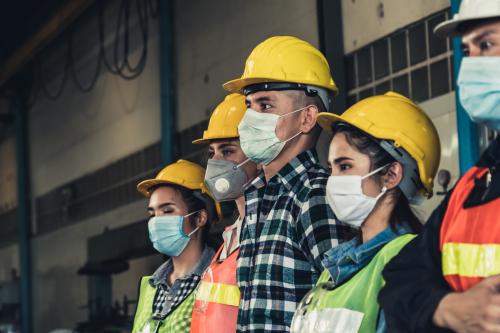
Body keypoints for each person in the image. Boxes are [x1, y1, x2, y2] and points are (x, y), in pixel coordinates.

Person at [378, 2, 500, 332]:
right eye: (466, 50)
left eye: (486, 44)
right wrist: (448, 308)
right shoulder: (475, 183)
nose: (470, 65)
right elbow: (400, 281)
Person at [223, 35, 356, 332]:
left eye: (265, 105)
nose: (249, 118)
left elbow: (341, 307)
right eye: (249, 105)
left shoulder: (315, 196)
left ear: (307, 118)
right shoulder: (258, 200)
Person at [289, 92, 441, 333]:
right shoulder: (335, 267)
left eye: (345, 166)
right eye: (332, 168)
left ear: (391, 175)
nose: (333, 180)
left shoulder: (407, 261)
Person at [190, 93, 259, 333]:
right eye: (212, 153)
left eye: (228, 151)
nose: (216, 162)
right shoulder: (231, 236)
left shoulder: (267, 232)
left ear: (258, 152)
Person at [132, 160, 221, 333]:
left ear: (200, 218)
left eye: (167, 211)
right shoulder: (149, 286)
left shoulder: (219, 281)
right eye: (152, 213)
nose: (156, 221)